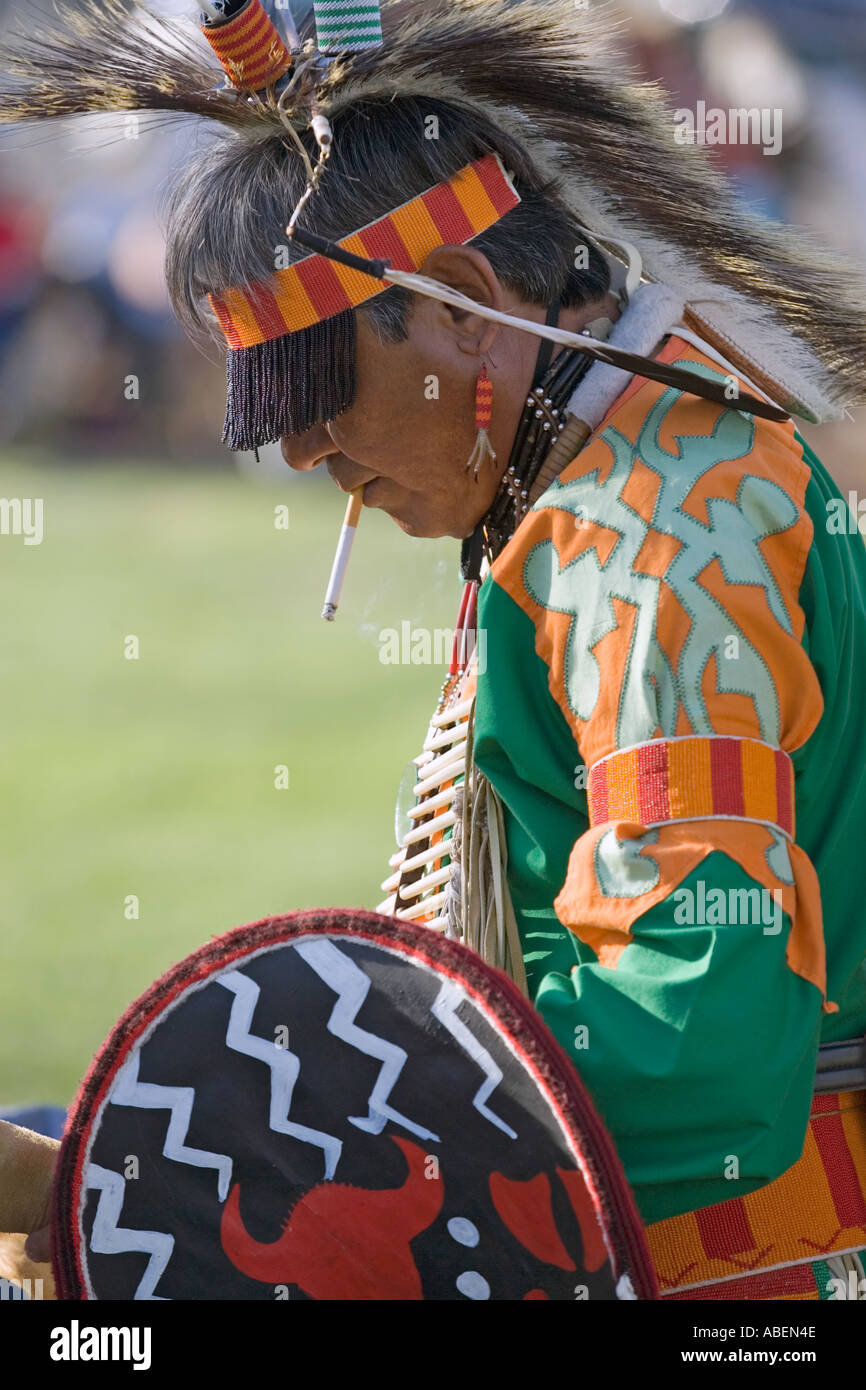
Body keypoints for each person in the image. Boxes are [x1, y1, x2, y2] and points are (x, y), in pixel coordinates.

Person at [2, 0, 865, 1300]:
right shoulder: (623, 462)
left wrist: (206, 1170)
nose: (299, 451)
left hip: (722, 1276)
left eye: (314, 385)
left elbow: (700, 1048)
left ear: (464, 306)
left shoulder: (650, 543)